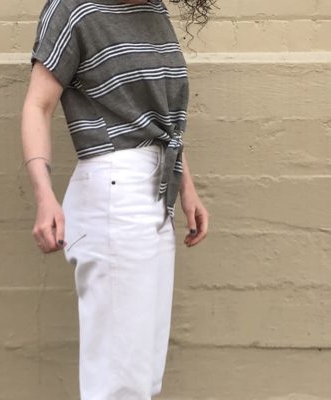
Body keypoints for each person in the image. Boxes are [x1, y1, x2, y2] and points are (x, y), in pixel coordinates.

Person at [21, 0, 213, 398]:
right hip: (115, 193)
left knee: (142, 374)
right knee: (119, 381)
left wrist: (187, 188)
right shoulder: (73, 10)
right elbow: (38, 105)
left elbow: (160, 120)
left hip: (157, 192)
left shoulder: (153, 9)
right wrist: (44, 194)